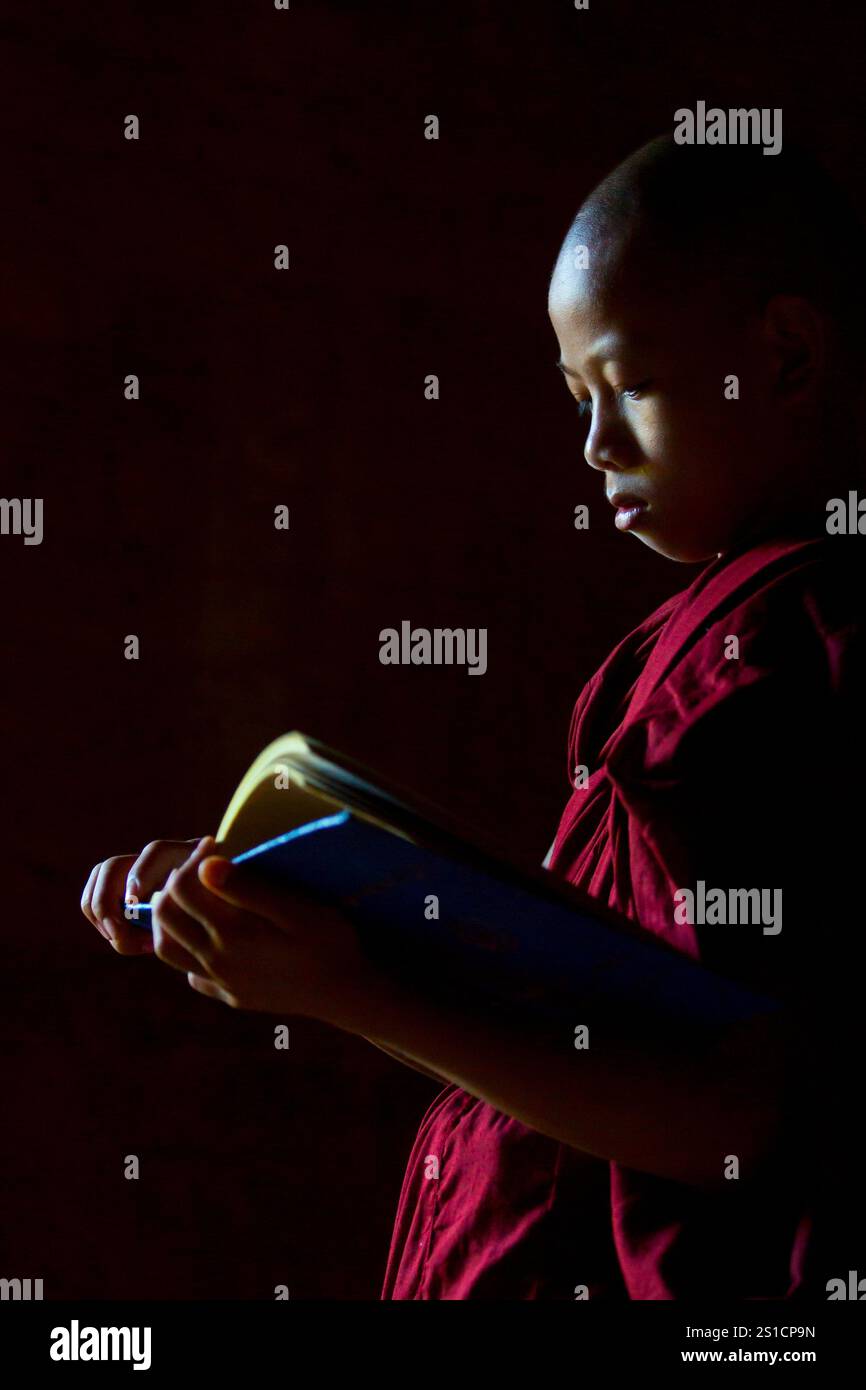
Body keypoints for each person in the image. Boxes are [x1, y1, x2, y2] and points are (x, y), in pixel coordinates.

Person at [81, 134, 866, 1299]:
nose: (594, 448)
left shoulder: (792, 645)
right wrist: (304, 962)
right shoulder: (681, 639)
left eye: (629, 385)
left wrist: (353, 992)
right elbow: (594, 1040)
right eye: (576, 398)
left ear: (788, 354)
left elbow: (745, 1119)